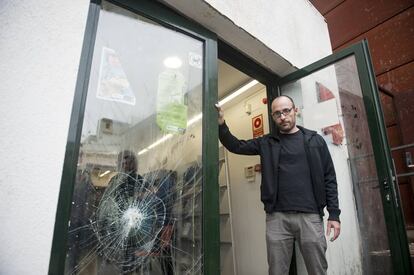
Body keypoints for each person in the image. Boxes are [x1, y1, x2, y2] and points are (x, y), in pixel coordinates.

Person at [215, 95, 341, 275]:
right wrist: (221, 124)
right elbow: (236, 146)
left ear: (295, 110)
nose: (282, 116)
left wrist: (334, 214)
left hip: (310, 217)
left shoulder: (315, 140)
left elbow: (329, 177)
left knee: (317, 270)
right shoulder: (267, 143)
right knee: (277, 271)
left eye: (286, 111)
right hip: (277, 218)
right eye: (277, 114)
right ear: (273, 117)